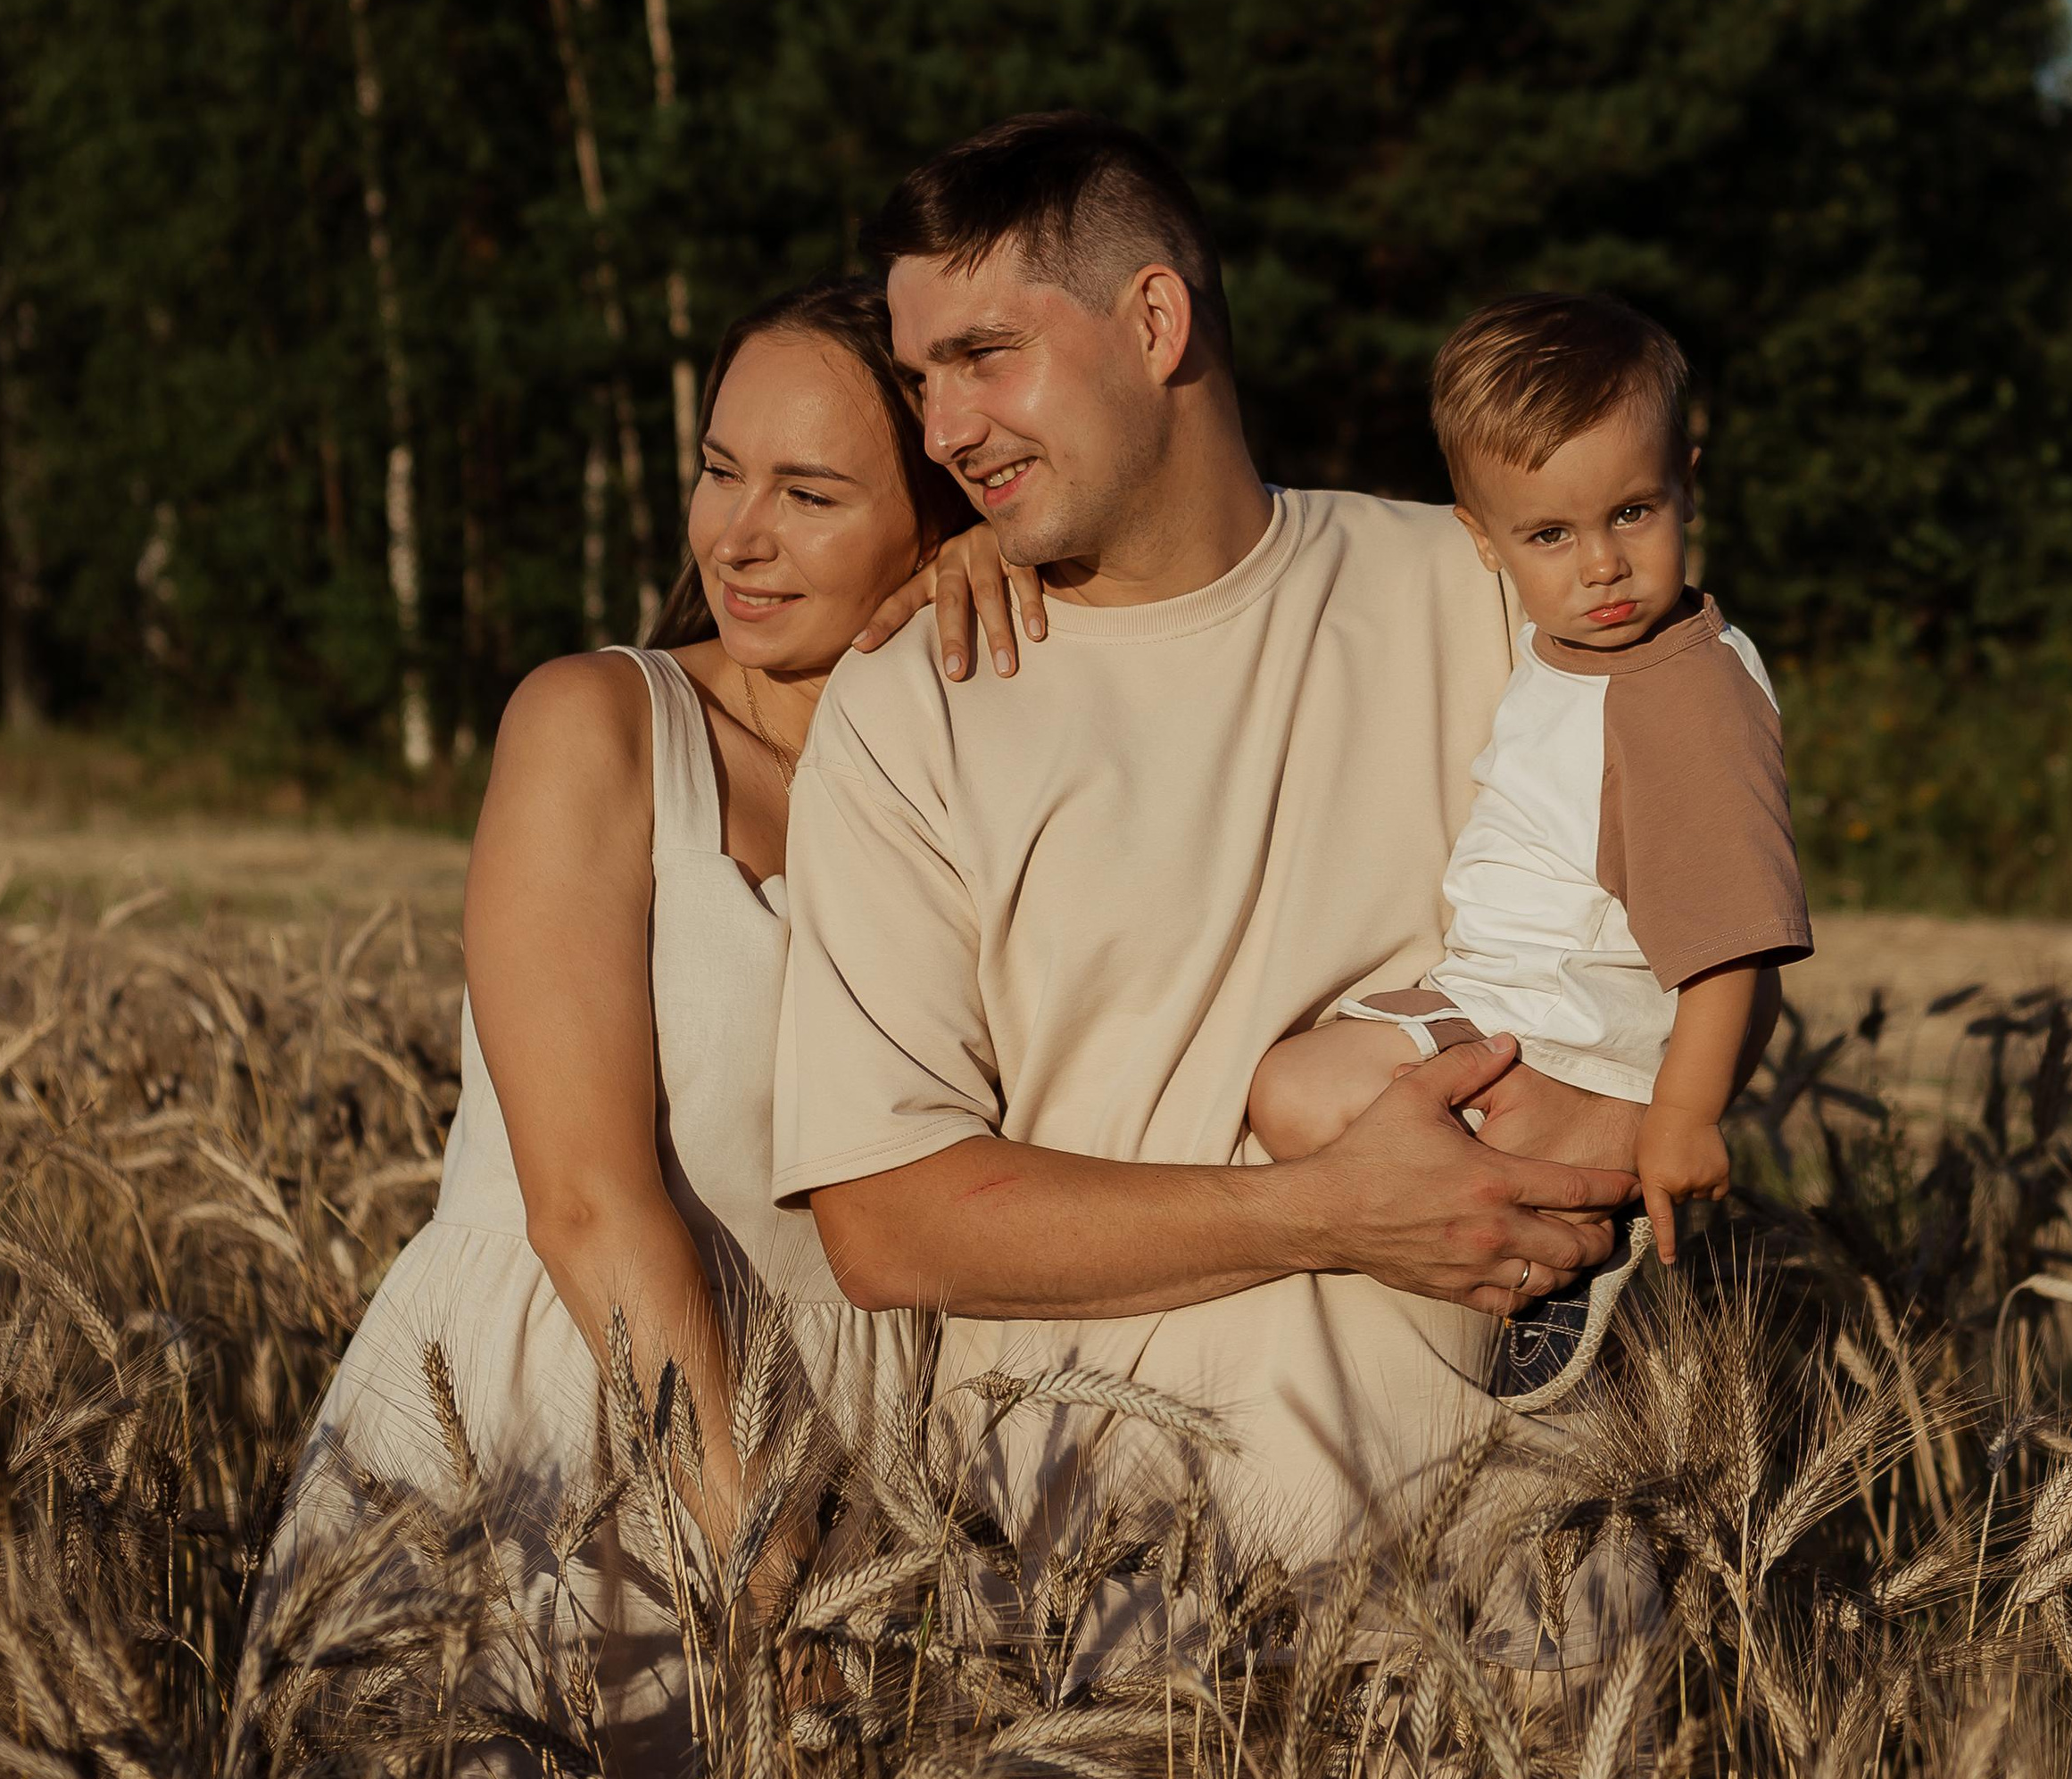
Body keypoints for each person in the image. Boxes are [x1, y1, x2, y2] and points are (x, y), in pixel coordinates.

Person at [773, 112, 1640, 1560]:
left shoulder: (1485, 592)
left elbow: (1709, 893)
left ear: (1156, 318)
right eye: (921, 379)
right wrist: (1323, 1212)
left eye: (986, 357)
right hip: (1101, 1639)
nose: (940, 430)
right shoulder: (914, 701)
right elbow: (886, 1223)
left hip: (1511, 1596)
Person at [284, 277, 972, 1779]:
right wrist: (767, 1573)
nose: (738, 535)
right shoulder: (600, 724)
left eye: (811, 494)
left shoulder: (966, 773)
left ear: (938, 520)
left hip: (880, 1452)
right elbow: (590, 1200)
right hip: (585, 1433)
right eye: (721, 469)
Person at [1247, 292, 1808, 1399]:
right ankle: (1534, 1211)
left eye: (1632, 515)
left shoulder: (1680, 697)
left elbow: (1731, 942)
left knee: (1297, 1099)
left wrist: (1679, 1120)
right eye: (1549, 535)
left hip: (1563, 1028)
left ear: (1687, 483)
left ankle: (1573, 1214)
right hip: (1510, 995)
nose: (1598, 566)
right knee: (1299, 1095)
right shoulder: (1585, 648)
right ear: (1482, 538)